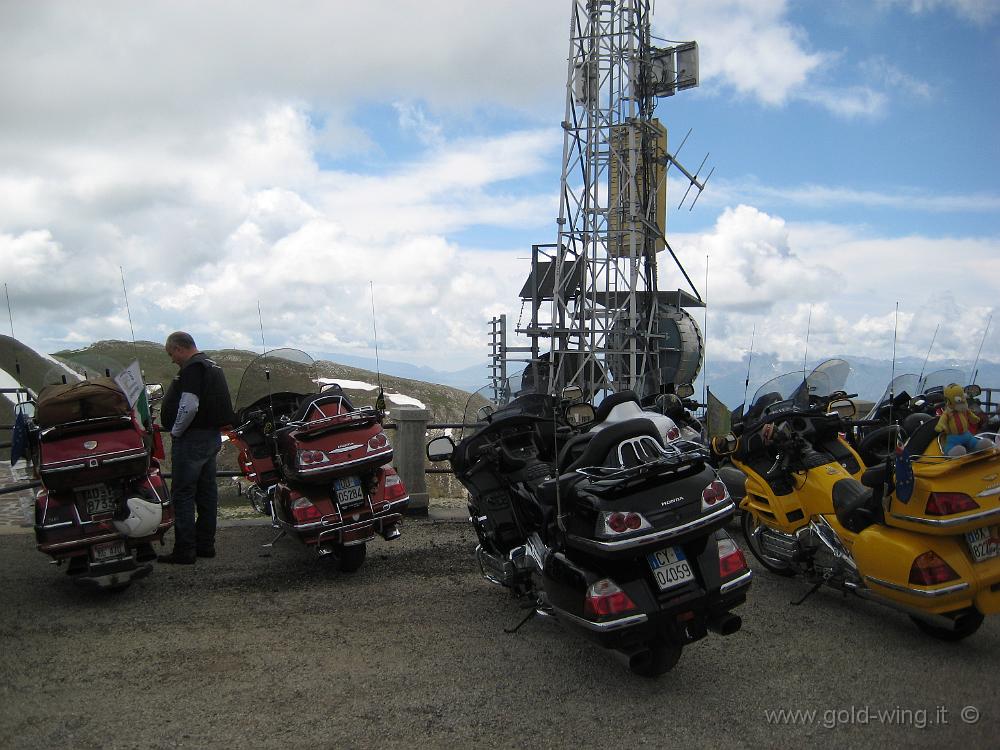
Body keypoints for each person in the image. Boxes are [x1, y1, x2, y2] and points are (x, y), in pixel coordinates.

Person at [158, 332, 236, 564]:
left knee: (182, 493)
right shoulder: (213, 366)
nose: (172, 359)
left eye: (171, 354)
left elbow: (189, 405)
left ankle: (185, 550)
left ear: (179, 348)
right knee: (206, 492)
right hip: (211, 437)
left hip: (192, 438)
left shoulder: (193, 368)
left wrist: (176, 431)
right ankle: (205, 545)